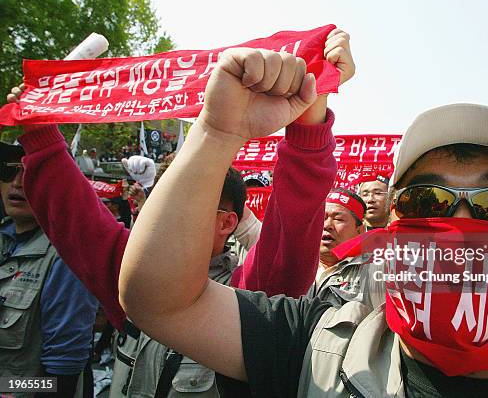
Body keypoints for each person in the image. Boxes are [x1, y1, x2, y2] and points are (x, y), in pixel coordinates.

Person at [119, 46, 488, 397]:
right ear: (390, 224)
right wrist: (218, 131)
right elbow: (161, 302)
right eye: (428, 200)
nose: (463, 219)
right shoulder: (312, 344)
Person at [10, 28, 354, 397]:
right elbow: (74, 214)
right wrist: (38, 131)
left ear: (226, 222)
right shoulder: (128, 270)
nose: (164, 211)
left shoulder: (253, 295)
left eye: (191, 198)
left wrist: (309, 113)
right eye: (162, 196)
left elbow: (292, 223)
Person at [0, 142, 98, 397]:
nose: (17, 183)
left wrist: (5, 387)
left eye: (31, 172)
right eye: (9, 170)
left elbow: (59, 377)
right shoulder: (5, 239)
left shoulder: (65, 257)